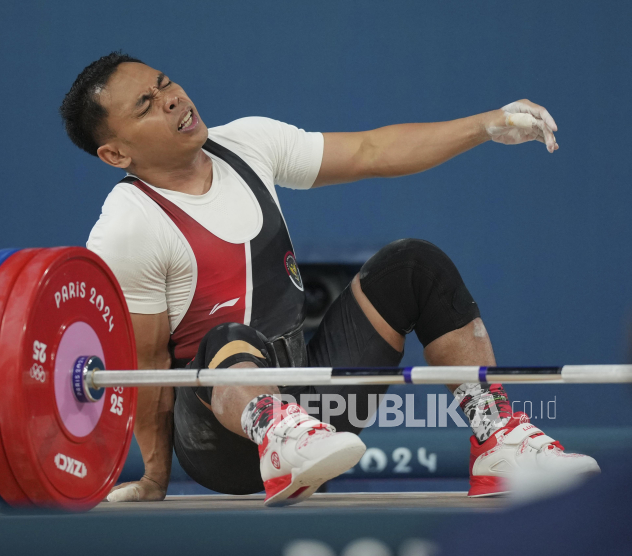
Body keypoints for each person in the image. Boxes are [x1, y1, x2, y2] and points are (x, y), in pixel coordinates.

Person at [59, 52, 599, 506]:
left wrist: (487, 124)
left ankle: (496, 440)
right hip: (220, 445)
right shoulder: (129, 224)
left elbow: (372, 151)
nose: (173, 98)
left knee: (413, 264)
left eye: (164, 83)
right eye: (146, 105)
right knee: (228, 335)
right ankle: (280, 437)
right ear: (116, 153)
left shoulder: (248, 143)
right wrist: (155, 478)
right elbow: (146, 364)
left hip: (317, 414)